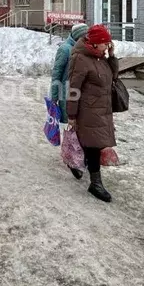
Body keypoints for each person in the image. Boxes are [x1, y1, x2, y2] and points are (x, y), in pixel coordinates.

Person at [66, 24, 119, 203]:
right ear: (95, 43)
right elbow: (74, 89)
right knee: (94, 146)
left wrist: (111, 56)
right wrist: (71, 116)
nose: (107, 46)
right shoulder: (80, 58)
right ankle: (95, 184)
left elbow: (114, 75)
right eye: (105, 43)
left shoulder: (100, 57)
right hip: (88, 111)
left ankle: (75, 161)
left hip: (102, 109)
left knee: (91, 144)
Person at [50, 22, 89, 177]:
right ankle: (72, 159)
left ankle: (80, 158)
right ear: (78, 36)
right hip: (68, 95)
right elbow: (56, 74)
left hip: (83, 95)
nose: (86, 39)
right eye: (84, 36)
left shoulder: (85, 49)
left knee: (82, 128)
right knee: (74, 129)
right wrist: (54, 97)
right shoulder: (65, 49)